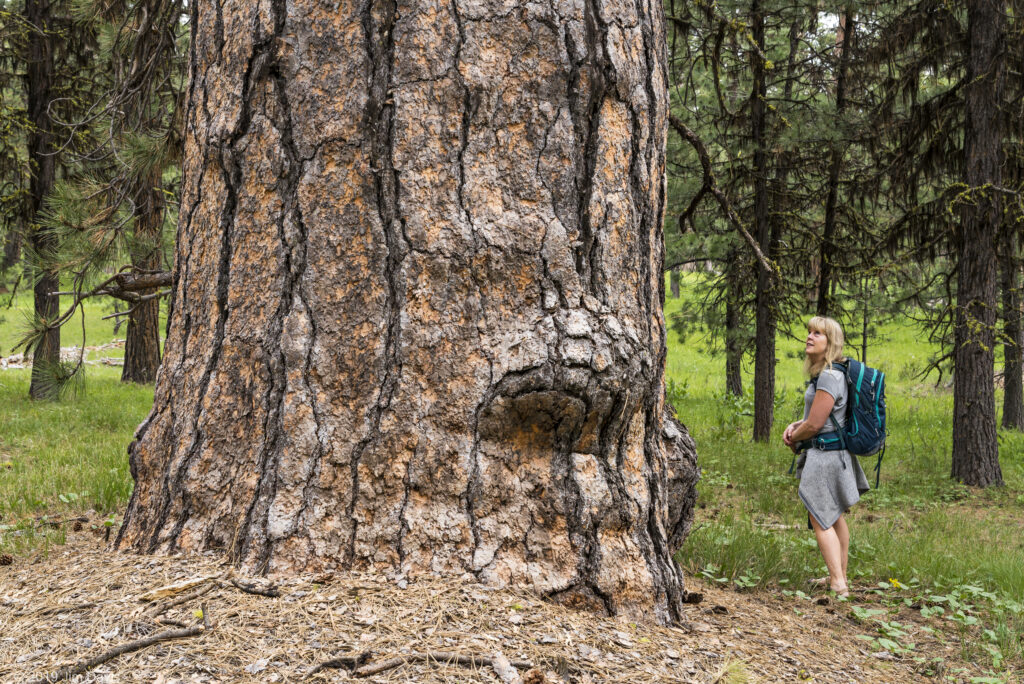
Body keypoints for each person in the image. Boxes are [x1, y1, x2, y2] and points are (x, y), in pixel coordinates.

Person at [782, 316, 869, 598]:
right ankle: (840, 575)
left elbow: (816, 424)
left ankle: (837, 584)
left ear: (830, 343)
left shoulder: (830, 376)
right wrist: (798, 426)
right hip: (833, 453)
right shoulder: (831, 374)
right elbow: (822, 416)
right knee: (834, 517)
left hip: (825, 457)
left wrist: (795, 438)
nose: (810, 336)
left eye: (817, 333)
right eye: (809, 331)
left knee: (820, 518)